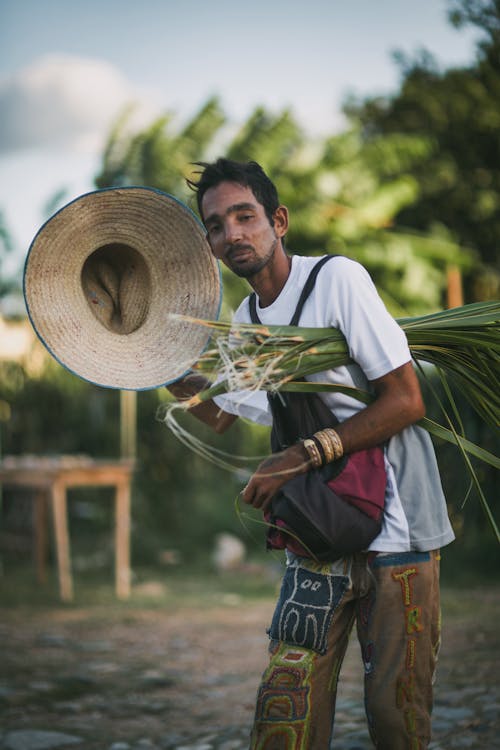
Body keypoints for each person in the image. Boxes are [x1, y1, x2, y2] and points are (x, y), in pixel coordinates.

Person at [168, 158, 455, 749]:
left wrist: (299, 455)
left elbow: (405, 400)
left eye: (246, 216)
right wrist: (150, 362)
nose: (233, 234)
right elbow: (225, 413)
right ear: (211, 244)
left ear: (279, 220)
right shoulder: (247, 319)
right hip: (321, 529)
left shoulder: (336, 280)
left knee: (397, 716)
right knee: (286, 705)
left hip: (395, 530)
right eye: (217, 225)